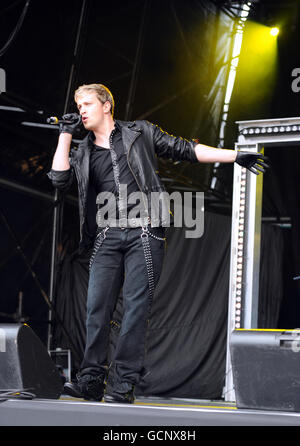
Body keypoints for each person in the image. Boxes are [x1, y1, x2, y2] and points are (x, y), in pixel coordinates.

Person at [48, 83, 267, 404]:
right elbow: (58, 179)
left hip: (144, 232)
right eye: (78, 104)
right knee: (96, 310)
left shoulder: (140, 132)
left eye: (87, 103)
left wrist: (235, 155)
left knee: (136, 310)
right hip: (107, 235)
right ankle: (92, 380)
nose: (80, 109)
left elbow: (185, 149)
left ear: (107, 105)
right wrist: (65, 135)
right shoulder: (82, 152)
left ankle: (122, 386)